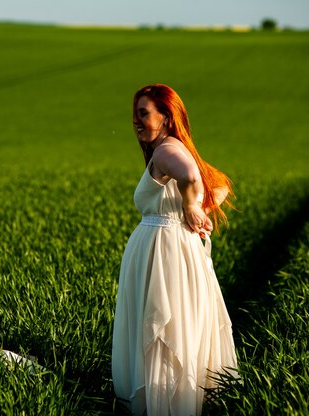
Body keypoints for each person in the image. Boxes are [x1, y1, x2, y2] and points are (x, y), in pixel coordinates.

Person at [112, 84, 239, 415]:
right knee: (175, 327)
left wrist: (190, 206)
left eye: (144, 113)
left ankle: (163, 404)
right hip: (175, 248)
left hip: (164, 252)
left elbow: (191, 174)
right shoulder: (174, 147)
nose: (136, 121)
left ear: (166, 118)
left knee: (162, 329)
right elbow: (220, 185)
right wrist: (194, 210)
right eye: (135, 114)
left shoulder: (166, 152)